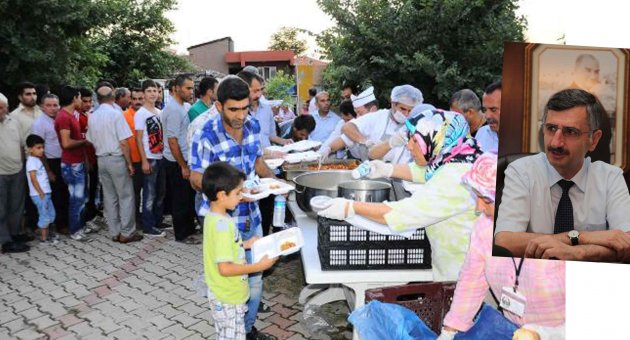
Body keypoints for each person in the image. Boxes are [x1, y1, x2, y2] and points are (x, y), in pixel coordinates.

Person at [318, 109, 482, 281]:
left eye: (415, 140)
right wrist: (388, 169)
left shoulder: (457, 177)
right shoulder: (459, 156)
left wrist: (350, 207)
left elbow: (404, 214)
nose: (409, 146)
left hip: (464, 273)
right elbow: (426, 171)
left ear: (437, 141)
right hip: (454, 262)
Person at [189, 76, 280, 340]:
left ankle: (247, 329)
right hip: (223, 219)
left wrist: (276, 183)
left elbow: (258, 162)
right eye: (233, 109)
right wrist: (228, 191)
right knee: (233, 281)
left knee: (255, 282)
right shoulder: (205, 135)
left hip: (251, 217)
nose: (241, 115)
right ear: (219, 106)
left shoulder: (251, 125)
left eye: (245, 107)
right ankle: (233, 329)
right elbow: (196, 178)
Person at [494, 89, 630, 263]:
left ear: (594, 139)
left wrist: (578, 254)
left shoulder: (610, 177)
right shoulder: (521, 171)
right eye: (551, 128)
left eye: (570, 132)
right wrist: (579, 238)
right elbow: (505, 241)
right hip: (535, 281)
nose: (555, 142)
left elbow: (626, 242)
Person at [439, 153, 565, 340]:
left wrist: (543, 334)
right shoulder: (486, 227)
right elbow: (471, 280)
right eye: (477, 197)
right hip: (514, 331)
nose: (478, 208)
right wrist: (449, 331)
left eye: (487, 200)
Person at [202, 162, 278, 340]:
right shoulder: (222, 225)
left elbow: (224, 248)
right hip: (227, 296)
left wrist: (247, 243)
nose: (241, 196)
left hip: (229, 293)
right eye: (237, 193)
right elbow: (225, 268)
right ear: (222, 195)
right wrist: (259, 266)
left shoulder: (216, 217)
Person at [88, 85, 142, 244]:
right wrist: (129, 163)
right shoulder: (116, 115)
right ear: (113, 98)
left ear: (98, 99)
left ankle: (114, 231)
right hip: (116, 158)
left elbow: (90, 140)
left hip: (101, 159)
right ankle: (127, 232)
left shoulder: (93, 116)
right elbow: (124, 142)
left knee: (110, 197)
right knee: (125, 195)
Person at [337, 85, 423, 162]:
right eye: (403, 109)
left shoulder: (416, 124)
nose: (406, 114)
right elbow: (347, 127)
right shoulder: (379, 117)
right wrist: (365, 141)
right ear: (393, 104)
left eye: (410, 110)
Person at [162, 74, 198, 244]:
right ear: (176, 88)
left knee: (188, 196)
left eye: (192, 88)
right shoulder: (173, 110)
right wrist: (182, 165)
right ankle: (182, 235)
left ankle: (189, 228)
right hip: (176, 161)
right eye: (188, 88)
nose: (191, 91)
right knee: (180, 199)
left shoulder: (183, 107)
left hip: (185, 158)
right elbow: (172, 140)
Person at [55, 86, 90, 241]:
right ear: (74, 98)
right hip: (72, 164)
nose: (81, 100)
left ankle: (80, 226)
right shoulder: (64, 117)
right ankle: (75, 230)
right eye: (79, 97)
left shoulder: (70, 115)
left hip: (78, 162)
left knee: (81, 198)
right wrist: (85, 141)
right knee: (76, 199)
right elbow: (66, 143)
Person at [32, 94, 69, 235]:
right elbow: (38, 151)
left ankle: (65, 221)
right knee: (57, 195)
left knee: (65, 193)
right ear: (42, 107)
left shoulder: (60, 119)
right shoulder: (39, 124)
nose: (53, 108)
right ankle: (60, 225)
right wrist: (48, 171)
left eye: (55, 105)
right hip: (50, 163)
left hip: (64, 160)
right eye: (49, 105)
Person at [134, 80, 167, 237]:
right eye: (149, 91)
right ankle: (148, 225)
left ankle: (157, 220)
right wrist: (144, 161)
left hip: (161, 156)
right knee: (149, 193)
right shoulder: (141, 114)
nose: (153, 94)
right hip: (149, 156)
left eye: (155, 90)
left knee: (160, 192)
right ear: (144, 93)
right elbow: (138, 139)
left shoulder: (159, 112)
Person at [0, 92, 30, 253]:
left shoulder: (13, 121)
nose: (2, 111)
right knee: (1, 208)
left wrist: (23, 164)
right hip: (0, 173)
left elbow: (20, 145)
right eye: (0, 108)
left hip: (17, 169)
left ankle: (15, 233)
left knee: (16, 205)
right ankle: (5, 241)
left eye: (4, 108)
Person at [237, 71, 292, 147]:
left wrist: (284, 141)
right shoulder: (236, 113)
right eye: (255, 91)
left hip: (269, 156)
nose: (259, 95)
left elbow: (270, 135)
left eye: (261, 90)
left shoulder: (266, 109)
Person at [25, 134, 58, 245]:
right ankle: (44, 239)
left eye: (42, 147)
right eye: (38, 148)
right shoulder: (31, 162)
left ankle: (48, 234)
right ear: (30, 149)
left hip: (46, 193)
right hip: (39, 195)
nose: (42, 150)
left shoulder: (37, 160)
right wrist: (40, 192)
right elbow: (33, 179)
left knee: (51, 214)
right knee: (44, 215)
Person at [77, 87, 100, 230]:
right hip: (85, 161)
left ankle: (92, 215)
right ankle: (84, 220)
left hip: (95, 158)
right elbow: (81, 142)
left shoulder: (90, 115)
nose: (88, 104)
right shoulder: (77, 117)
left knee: (93, 189)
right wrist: (86, 160)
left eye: (90, 101)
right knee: (85, 192)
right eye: (84, 101)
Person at [123, 88, 145, 224]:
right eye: (134, 99)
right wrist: (128, 162)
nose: (137, 102)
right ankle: (135, 219)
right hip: (133, 160)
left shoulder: (148, 114)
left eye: (140, 99)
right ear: (130, 99)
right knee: (134, 193)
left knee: (148, 192)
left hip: (147, 159)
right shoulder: (125, 116)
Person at [475, 81, 501, 154]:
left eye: (493, 110)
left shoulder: (527, 141)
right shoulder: (481, 133)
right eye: (485, 110)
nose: (487, 116)